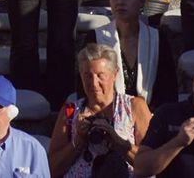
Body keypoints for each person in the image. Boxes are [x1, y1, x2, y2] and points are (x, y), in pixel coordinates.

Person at [48, 43, 152, 178]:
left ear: (115, 74)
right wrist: (78, 140)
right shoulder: (70, 111)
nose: (94, 83)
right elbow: (50, 169)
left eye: (100, 75)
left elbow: (152, 162)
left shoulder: (134, 106)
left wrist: (118, 142)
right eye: (87, 75)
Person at [81, 0, 177, 108]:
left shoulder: (157, 38)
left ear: (142, 1)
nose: (120, 1)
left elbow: (168, 90)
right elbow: (85, 86)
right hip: (105, 114)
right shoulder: (95, 37)